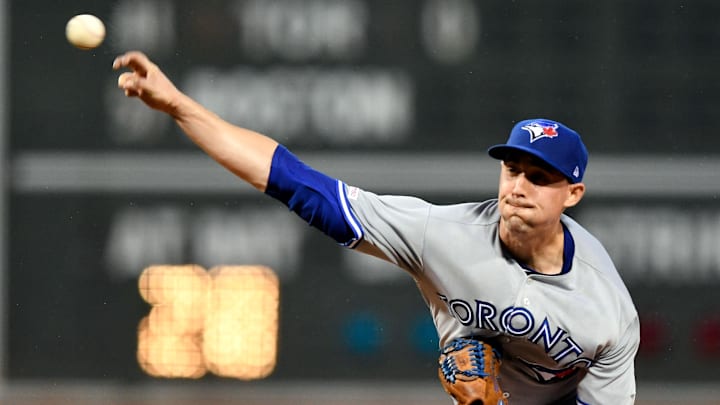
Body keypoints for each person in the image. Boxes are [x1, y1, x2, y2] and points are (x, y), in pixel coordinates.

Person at [113, 51, 639, 405]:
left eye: (540, 177)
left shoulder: (608, 310)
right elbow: (296, 183)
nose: (519, 187)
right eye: (512, 169)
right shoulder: (443, 234)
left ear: (573, 195)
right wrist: (178, 106)